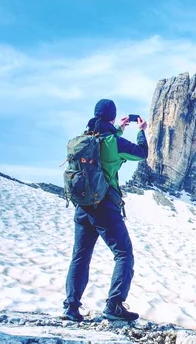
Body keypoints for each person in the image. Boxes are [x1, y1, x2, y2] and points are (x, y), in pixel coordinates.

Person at [62, 99, 148, 322]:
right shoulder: (114, 142)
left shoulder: (84, 140)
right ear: (112, 117)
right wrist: (140, 132)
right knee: (123, 254)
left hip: (83, 207)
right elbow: (141, 153)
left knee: (80, 257)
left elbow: (103, 144)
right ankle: (114, 305)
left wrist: (118, 129)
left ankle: (71, 308)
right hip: (106, 207)